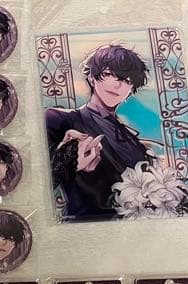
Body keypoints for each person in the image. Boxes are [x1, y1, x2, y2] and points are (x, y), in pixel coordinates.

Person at [44, 44, 155, 220]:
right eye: (109, 74)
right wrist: (67, 163)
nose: (117, 85)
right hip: (83, 225)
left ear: (131, 89)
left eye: (127, 80)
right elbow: (36, 181)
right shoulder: (59, 120)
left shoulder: (133, 142)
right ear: (92, 77)